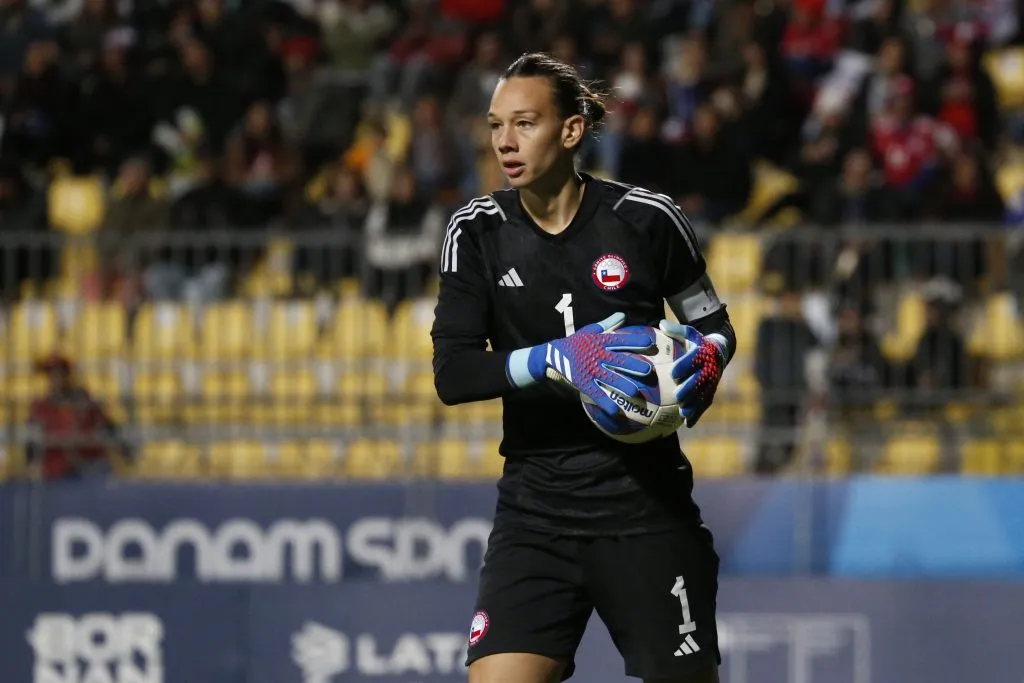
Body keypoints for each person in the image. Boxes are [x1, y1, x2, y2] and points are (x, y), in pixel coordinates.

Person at [430, 53, 736, 683]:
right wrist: (552, 360)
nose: (505, 143)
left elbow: (713, 324)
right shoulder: (476, 232)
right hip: (536, 516)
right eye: (495, 126)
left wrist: (710, 359)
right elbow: (453, 374)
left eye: (524, 123)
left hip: (647, 512)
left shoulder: (649, 219)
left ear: (570, 131)